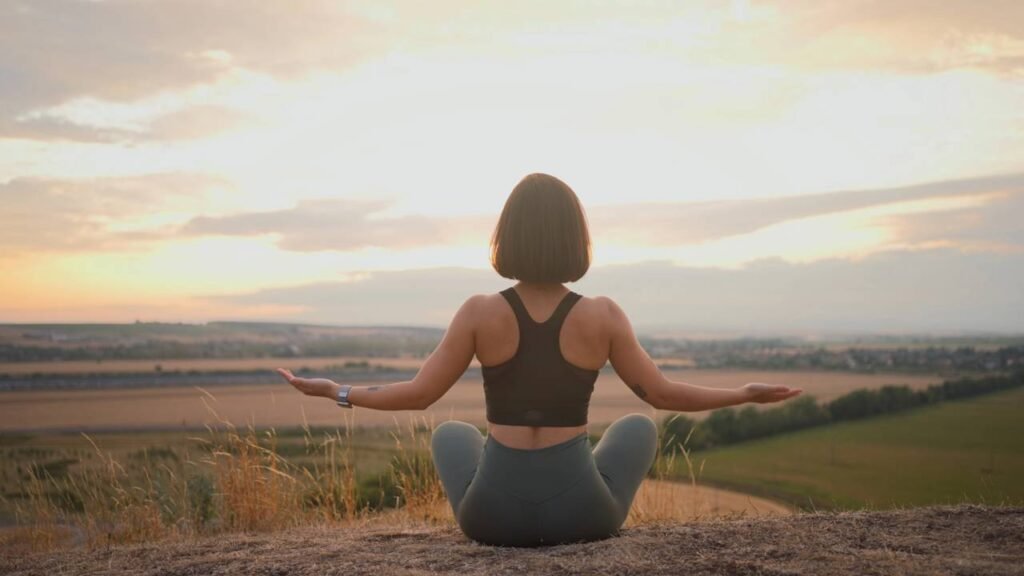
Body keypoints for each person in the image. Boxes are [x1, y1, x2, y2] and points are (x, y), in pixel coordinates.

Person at [275, 173, 802, 547]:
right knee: (639, 426)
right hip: (584, 516)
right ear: (577, 239)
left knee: (450, 435)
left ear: (509, 237)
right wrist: (743, 394)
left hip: (491, 520)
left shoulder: (480, 312)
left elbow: (418, 394)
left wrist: (335, 391)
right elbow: (662, 394)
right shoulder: (603, 315)